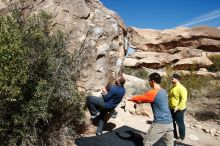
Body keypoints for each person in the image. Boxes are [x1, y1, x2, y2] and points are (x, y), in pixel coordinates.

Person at [128, 72, 174, 146]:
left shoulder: (153, 93)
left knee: (146, 143)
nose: (149, 82)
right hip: (169, 122)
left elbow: (140, 99)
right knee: (169, 144)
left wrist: (130, 99)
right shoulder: (164, 91)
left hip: (160, 123)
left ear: (152, 81)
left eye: (149, 80)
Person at [169, 73, 187, 141]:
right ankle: (174, 135)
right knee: (171, 122)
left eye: (172, 79)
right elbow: (171, 97)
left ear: (177, 79)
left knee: (180, 123)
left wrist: (178, 107)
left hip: (179, 109)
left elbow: (184, 99)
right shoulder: (173, 87)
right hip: (172, 108)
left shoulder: (182, 88)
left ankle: (182, 137)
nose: (171, 80)